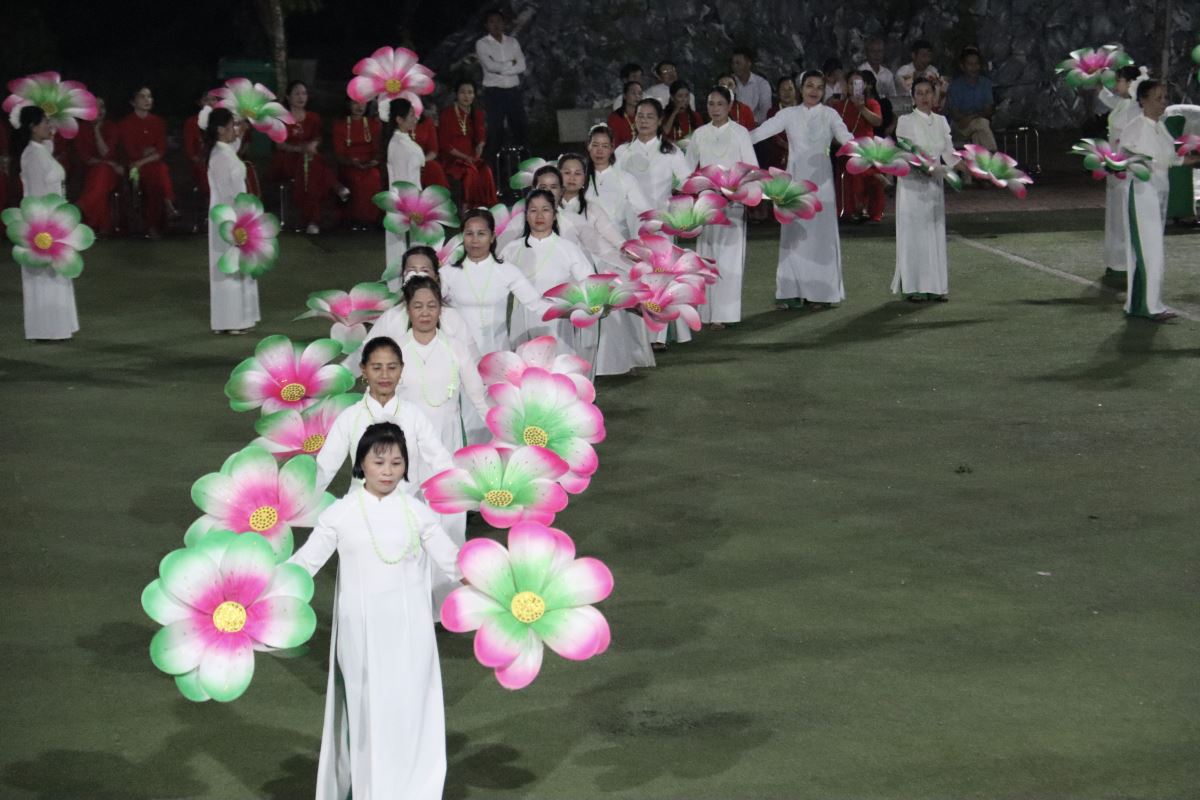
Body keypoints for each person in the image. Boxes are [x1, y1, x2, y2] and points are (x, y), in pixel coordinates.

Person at [289, 422, 461, 800]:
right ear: (361, 463)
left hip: (412, 632)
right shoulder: (341, 513)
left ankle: (415, 789)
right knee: (368, 713)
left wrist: (497, 582)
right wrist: (263, 591)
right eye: (378, 462)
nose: (387, 471)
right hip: (361, 634)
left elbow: (455, 564)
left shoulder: (418, 513)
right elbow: (304, 565)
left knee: (411, 707)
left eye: (397, 463)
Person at [750, 70, 855, 310]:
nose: (814, 91)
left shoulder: (830, 114)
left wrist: (865, 151)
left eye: (819, 87)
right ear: (801, 88)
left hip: (822, 185)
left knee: (820, 238)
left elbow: (845, 137)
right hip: (794, 184)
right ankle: (790, 292)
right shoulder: (788, 114)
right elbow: (759, 133)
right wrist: (735, 139)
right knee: (793, 237)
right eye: (809, 85)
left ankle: (822, 292)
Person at [316, 337, 454, 495]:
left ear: (401, 369)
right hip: (361, 505)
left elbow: (440, 461)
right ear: (363, 370)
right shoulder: (350, 417)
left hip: (407, 506)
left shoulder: (414, 415)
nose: (385, 375)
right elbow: (325, 468)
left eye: (392, 367)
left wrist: (461, 489)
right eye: (376, 368)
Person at [558, 152, 655, 374]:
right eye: (566, 172)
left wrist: (631, 252)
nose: (572, 178)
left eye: (578, 173)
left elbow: (613, 238)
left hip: (589, 268)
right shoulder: (548, 209)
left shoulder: (592, 208)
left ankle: (607, 365)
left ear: (585, 178)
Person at [614, 98, 692, 348]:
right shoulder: (622, 152)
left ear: (659, 121)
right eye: (640, 116)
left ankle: (658, 334)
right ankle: (636, 335)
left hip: (660, 224)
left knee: (660, 276)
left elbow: (687, 182)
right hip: (629, 224)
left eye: (650, 116)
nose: (644, 120)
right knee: (635, 276)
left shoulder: (671, 152)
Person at [1119, 80, 1200, 320]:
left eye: (1165, 97)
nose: (1163, 102)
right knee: (1149, 248)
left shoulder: (1160, 127)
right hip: (1141, 192)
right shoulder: (1135, 127)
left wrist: (1195, 159)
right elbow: (1125, 157)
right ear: (1143, 100)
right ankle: (1150, 306)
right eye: (1157, 98)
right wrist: (1144, 162)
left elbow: (1172, 158)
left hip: (1158, 192)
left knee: (1149, 248)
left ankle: (1138, 304)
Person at [687, 86, 759, 329]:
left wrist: (737, 191)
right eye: (711, 104)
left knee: (729, 258)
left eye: (720, 104)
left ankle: (725, 314)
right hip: (707, 202)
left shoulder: (740, 133)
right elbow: (687, 168)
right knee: (707, 256)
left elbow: (751, 168)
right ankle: (706, 312)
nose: (715, 109)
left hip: (733, 201)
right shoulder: (699, 134)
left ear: (729, 106)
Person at [892, 77, 965, 301]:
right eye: (920, 93)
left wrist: (973, 167)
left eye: (928, 92)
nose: (924, 97)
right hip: (912, 186)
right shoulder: (905, 121)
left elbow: (950, 154)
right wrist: (924, 167)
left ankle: (935, 287)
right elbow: (906, 152)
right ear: (913, 98)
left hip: (934, 186)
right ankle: (914, 287)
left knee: (934, 234)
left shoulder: (941, 121)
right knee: (914, 234)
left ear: (934, 96)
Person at [438, 207, 547, 356]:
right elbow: (427, 303)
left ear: (492, 237)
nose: (475, 240)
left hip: (498, 356)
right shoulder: (448, 273)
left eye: (481, 234)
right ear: (462, 236)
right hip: (459, 356)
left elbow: (537, 304)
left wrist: (573, 310)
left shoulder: (507, 271)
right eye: (469, 233)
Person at [500, 188, 593, 350]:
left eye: (545, 210)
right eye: (533, 210)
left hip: (558, 322)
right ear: (526, 216)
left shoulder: (568, 248)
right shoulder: (512, 249)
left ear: (554, 215)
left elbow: (590, 283)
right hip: (522, 323)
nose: (539, 216)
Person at [14, 106, 78, 341]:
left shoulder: (43, 150)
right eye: (45, 122)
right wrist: (46, 226)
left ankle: (58, 328)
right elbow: (36, 195)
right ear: (33, 127)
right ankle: (45, 330)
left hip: (55, 220)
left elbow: (52, 138)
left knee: (57, 275)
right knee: (43, 276)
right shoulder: (31, 155)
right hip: (42, 224)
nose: (50, 126)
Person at [367, 245, 482, 363]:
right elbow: (366, 355)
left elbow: (473, 361)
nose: (417, 276)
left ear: (436, 277)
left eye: (425, 271)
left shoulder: (452, 318)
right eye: (411, 271)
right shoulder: (391, 318)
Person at [205, 108, 261, 334]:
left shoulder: (223, 151)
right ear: (221, 129)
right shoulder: (220, 156)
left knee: (236, 266)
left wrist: (242, 130)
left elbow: (233, 148)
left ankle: (235, 319)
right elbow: (230, 191)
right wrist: (240, 217)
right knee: (230, 267)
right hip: (229, 216)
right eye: (231, 126)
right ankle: (230, 321)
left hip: (232, 214)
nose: (234, 131)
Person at [271, 80, 349, 235]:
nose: (301, 97)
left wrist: (313, 144)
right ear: (288, 97)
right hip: (288, 158)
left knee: (311, 170)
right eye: (297, 94)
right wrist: (300, 149)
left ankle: (313, 221)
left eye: (304, 93)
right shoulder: (281, 119)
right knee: (311, 163)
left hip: (309, 160)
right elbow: (279, 144)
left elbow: (318, 138)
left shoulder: (313, 117)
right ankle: (335, 185)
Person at [1097, 65, 1144, 283]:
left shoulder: (1136, 107)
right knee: (1115, 214)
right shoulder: (1124, 103)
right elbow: (1111, 101)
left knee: (1125, 214)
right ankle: (1115, 260)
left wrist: (1122, 160)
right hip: (1115, 165)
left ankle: (1126, 262)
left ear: (1131, 83)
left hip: (1127, 167)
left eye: (1119, 81)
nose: (1116, 84)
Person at [117, 86, 179, 238]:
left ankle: (153, 223)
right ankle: (167, 206)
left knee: (158, 173)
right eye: (142, 97)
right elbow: (132, 152)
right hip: (133, 168)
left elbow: (161, 150)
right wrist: (147, 154)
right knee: (158, 172)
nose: (147, 100)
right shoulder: (125, 124)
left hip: (148, 164)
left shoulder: (158, 122)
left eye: (149, 96)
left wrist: (143, 159)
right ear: (133, 102)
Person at [475, 7, 528, 161]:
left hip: (513, 91)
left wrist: (502, 67)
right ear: (486, 25)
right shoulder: (482, 44)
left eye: (499, 21)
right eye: (492, 22)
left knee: (521, 130)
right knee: (495, 132)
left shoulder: (513, 42)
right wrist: (511, 63)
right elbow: (490, 67)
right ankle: (493, 170)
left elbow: (522, 66)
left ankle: (526, 167)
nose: (496, 25)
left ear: (504, 23)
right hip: (494, 93)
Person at [831, 70, 884, 222]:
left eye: (858, 83)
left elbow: (877, 122)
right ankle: (853, 208)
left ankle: (865, 207)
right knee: (852, 161)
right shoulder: (839, 106)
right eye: (851, 84)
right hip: (846, 148)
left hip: (867, 148)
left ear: (865, 85)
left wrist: (861, 108)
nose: (854, 87)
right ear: (846, 86)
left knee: (861, 161)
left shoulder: (871, 103)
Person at [438, 79, 498, 208]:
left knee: (485, 170)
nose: (466, 96)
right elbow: (444, 144)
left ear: (474, 95)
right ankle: (466, 211)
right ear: (456, 94)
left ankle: (485, 209)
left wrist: (480, 146)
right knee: (470, 171)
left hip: (471, 157)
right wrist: (465, 157)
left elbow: (481, 136)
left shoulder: (477, 113)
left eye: (470, 92)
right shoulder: (447, 114)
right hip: (452, 158)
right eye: (463, 92)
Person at [585, 124, 651, 239]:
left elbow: (644, 212)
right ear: (588, 146)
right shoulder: (579, 178)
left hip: (619, 242)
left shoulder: (626, 179)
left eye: (605, 146)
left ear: (612, 149)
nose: (599, 150)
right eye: (595, 145)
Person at [384, 98, 425, 284]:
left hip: (413, 197)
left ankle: (416, 279)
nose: (415, 118)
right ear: (399, 119)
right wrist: (410, 205)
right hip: (404, 200)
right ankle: (398, 285)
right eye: (411, 115)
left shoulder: (404, 141)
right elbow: (401, 179)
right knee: (398, 244)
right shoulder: (398, 145)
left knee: (416, 242)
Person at [75, 98, 124, 235]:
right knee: (100, 180)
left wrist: (96, 130)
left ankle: (82, 207)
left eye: (102, 107)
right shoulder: (82, 129)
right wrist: (108, 163)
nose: (99, 110)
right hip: (89, 172)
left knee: (102, 172)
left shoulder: (111, 127)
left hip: (110, 174)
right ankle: (101, 226)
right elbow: (86, 158)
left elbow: (106, 153)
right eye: (95, 107)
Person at [332, 98, 383, 230]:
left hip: (369, 165)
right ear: (348, 104)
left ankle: (371, 219)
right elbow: (339, 154)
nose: (359, 107)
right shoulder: (340, 125)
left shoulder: (374, 124)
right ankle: (355, 219)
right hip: (349, 165)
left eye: (362, 103)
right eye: (355, 103)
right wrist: (352, 162)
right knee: (356, 179)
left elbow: (378, 150)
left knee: (374, 176)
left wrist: (374, 161)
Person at [945, 47, 996, 151]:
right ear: (962, 66)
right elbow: (956, 116)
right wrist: (975, 116)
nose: (974, 67)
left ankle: (986, 158)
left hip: (977, 123)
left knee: (979, 130)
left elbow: (989, 110)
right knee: (981, 124)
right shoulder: (955, 86)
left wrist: (972, 117)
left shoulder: (985, 83)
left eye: (976, 64)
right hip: (959, 127)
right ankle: (993, 155)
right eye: (970, 64)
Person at [894, 39, 943, 115]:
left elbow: (936, 96)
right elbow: (910, 92)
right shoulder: (903, 72)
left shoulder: (933, 71)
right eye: (923, 56)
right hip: (905, 111)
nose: (927, 60)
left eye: (929, 56)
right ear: (913, 56)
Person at [183, 90, 216, 201]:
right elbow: (190, 152)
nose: (210, 103)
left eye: (214, 99)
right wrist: (202, 160)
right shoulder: (192, 122)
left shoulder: (223, 119)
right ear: (200, 103)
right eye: (206, 100)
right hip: (202, 162)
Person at [763, 75, 798, 170]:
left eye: (790, 89)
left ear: (796, 91)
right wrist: (788, 147)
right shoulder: (772, 112)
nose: (787, 93)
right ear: (778, 93)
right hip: (778, 158)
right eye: (783, 89)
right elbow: (775, 137)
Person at [411, 104, 449, 190]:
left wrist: (421, 162)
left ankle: (438, 197)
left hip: (424, 161)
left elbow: (433, 151)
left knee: (434, 167)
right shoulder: (398, 122)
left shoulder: (427, 122)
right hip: (403, 162)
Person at [731, 47, 772, 124]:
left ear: (748, 63)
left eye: (738, 63)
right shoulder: (729, 82)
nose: (735, 66)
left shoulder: (762, 84)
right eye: (733, 63)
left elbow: (765, 110)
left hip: (756, 126)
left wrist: (749, 122)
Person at [858, 36, 897, 104]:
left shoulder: (888, 74)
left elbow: (893, 97)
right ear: (866, 53)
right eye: (873, 51)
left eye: (880, 51)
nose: (877, 55)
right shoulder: (860, 72)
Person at [606, 80, 642, 148]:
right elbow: (614, 143)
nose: (637, 96)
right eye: (633, 93)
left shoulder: (644, 116)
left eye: (640, 93)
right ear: (625, 96)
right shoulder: (615, 118)